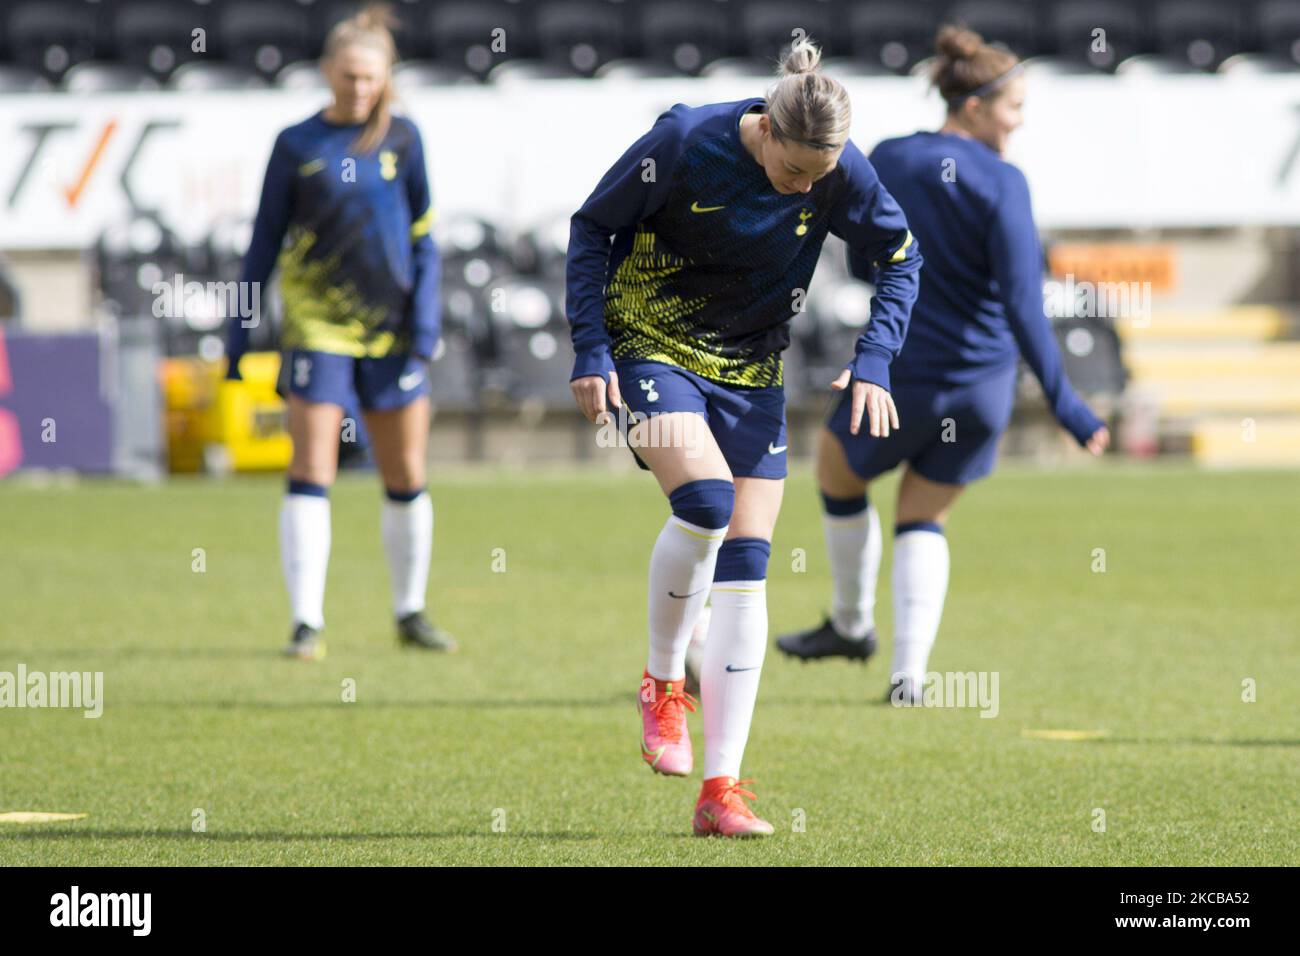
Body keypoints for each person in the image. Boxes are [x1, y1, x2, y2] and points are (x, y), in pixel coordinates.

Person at [566, 38, 921, 836]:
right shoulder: (685, 142)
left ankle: (719, 791)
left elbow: (900, 257)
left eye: (818, 179)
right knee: (704, 502)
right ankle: (662, 683)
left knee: (748, 567)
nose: (806, 189)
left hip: (751, 366)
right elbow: (592, 228)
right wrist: (590, 346)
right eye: (795, 174)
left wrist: (876, 360)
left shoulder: (838, 169)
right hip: (649, 338)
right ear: (764, 129)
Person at [774, 26, 1109, 702]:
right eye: (1013, 107)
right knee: (924, 516)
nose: (1018, 124)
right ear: (977, 104)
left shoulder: (895, 156)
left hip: (900, 375)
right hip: (982, 389)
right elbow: (1022, 303)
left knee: (839, 476)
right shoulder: (1006, 183)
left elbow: (865, 256)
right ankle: (910, 677)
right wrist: (1066, 404)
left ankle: (849, 622)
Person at [224, 4, 456, 661]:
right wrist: (239, 336)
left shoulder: (404, 140)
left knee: (406, 471)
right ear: (328, 71)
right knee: (311, 466)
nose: (359, 88)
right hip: (317, 324)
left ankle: (410, 612)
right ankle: (306, 623)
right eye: (349, 75)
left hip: (392, 330)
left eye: (370, 78)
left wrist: (427, 319)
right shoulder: (296, 144)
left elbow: (425, 240)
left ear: (386, 77)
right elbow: (262, 246)